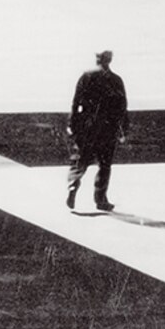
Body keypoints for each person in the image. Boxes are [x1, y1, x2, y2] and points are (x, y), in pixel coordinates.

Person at [68, 49, 129, 212]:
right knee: (105, 164)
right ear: (110, 60)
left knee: (81, 158)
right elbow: (123, 106)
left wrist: (72, 122)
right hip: (108, 127)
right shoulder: (116, 80)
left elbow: (76, 101)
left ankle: (73, 184)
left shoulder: (86, 76)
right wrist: (124, 128)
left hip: (87, 125)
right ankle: (101, 199)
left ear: (97, 59)